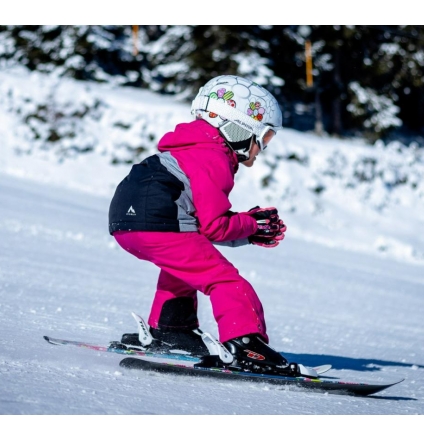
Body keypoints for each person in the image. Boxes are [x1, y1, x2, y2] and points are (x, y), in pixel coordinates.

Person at [108, 75, 299, 375]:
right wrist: (251, 225)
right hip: (159, 220)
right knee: (225, 281)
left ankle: (174, 330)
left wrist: (247, 230)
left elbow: (201, 226)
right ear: (238, 127)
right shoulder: (213, 157)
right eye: (263, 138)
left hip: (126, 222)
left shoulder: (187, 149)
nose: (261, 149)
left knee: (184, 266)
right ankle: (246, 345)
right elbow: (215, 226)